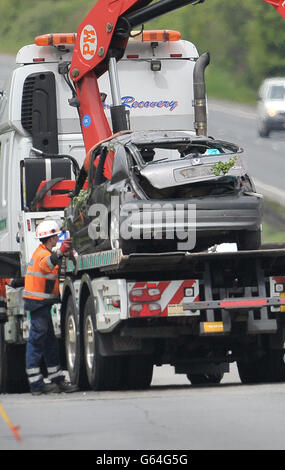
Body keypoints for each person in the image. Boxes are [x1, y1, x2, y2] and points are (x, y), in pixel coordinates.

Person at [24, 219, 78, 395]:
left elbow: (55, 267)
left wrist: (63, 253)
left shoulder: (46, 251)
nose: (57, 239)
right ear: (50, 239)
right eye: (56, 236)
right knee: (37, 341)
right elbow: (46, 265)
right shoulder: (41, 255)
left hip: (41, 303)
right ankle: (36, 385)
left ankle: (56, 379)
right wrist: (60, 253)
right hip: (38, 303)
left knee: (49, 342)